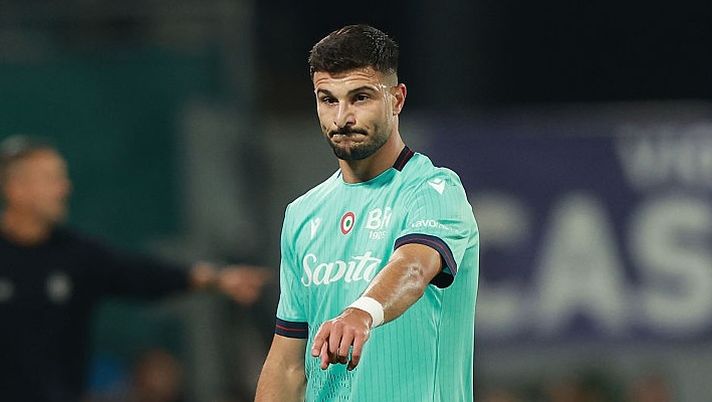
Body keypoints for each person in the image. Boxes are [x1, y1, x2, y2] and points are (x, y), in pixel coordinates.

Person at [255, 24, 479, 401]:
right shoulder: (302, 214)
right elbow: (288, 364)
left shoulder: (435, 190)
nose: (342, 117)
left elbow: (413, 267)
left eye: (360, 97)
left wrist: (363, 311)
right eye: (328, 99)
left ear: (396, 99)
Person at [0, 135, 269, 402]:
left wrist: (218, 279)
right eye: (49, 179)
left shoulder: (76, 255)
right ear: (15, 189)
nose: (64, 188)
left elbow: (142, 275)